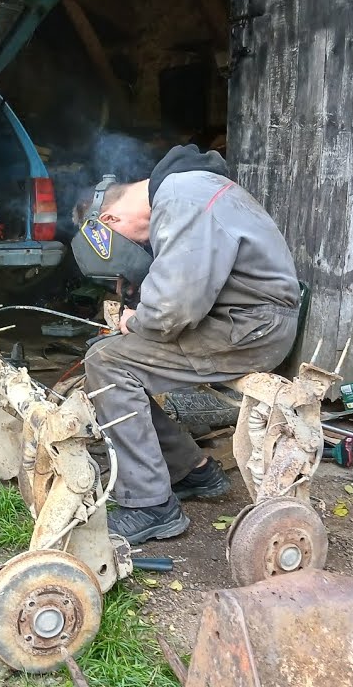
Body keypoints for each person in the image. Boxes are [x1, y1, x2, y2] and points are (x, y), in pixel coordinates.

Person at [70, 144, 300, 545]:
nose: (133, 251)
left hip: (251, 330)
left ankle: (150, 506)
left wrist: (132, 321)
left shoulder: (180, 197)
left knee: (108, 363)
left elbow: (170, 311)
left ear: (109, 218)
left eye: (116, 240)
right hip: (243, 322)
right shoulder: (186, 189)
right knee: (107, 359)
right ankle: (191, 470)